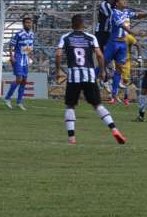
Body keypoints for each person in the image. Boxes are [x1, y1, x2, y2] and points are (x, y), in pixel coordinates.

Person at [54, 13, 126, 145]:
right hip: (89, 75)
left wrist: (58, 70)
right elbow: (99, 55)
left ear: (72, 25)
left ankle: (72, 138)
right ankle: (114, 129)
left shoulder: (66, 37)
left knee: (70, 106)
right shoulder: (90, 37)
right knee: (98, 105)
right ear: (83, 25)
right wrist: (102, 71)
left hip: (74, 76)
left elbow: (58, 54)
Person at [105, 0, 147, 103]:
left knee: (118, 69)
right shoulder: (114, 13)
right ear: (117, 3)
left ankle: (114, 95)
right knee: (103, 64)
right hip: (113, 43)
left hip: (122, 45)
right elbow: (123, 26)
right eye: (123, 0)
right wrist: (134, 33)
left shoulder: (126, 12)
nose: (125, 1)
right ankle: (87, 78)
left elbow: (137, 15)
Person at [4, 16, 35, 110]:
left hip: (25, 58)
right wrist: (11, 56)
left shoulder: (32, 34)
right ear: (23, 24)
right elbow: (11, 44)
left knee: (24, 81)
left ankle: (19, 102)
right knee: (19, 79)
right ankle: (7, 98)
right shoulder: (19, 34)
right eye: (27, 22)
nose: (28, 24)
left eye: (30, 22)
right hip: (18, 57)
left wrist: (31, 55)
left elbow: (29, 47)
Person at [119, 32, 138, 105]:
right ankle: (113, 97)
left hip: (126, 61)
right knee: (115, 78)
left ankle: (126, 98)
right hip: (117, 61)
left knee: (126, 81)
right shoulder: (115, 36)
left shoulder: (128, 37)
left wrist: (139, 57)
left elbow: (137, 45)